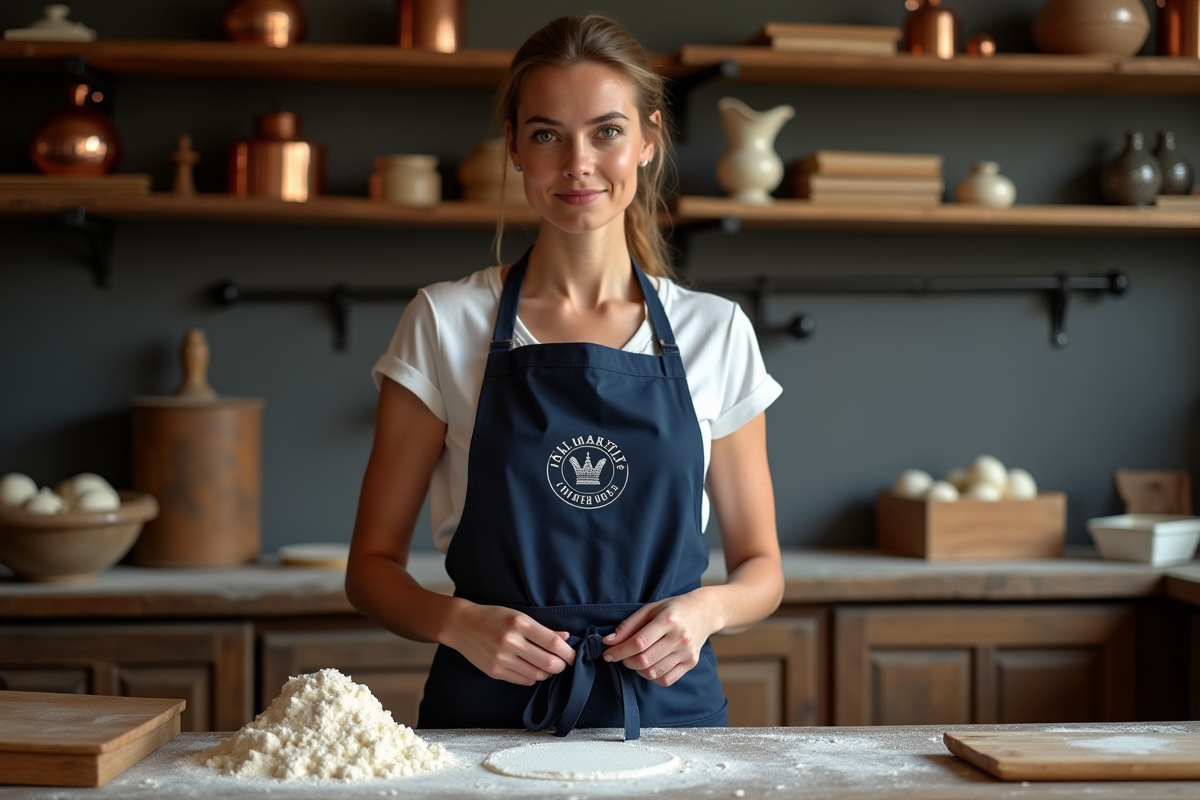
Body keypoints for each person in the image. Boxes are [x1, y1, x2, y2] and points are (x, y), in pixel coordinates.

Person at [346, 13, 783, 741]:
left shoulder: (717, 331)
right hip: (484, 721)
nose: (578, 163)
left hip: (669, 718)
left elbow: (762, 568)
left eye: (606, 132)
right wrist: (459, 623)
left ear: (647, 140)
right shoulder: (444, 320)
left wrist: (705, 611)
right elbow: (371, 570)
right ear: (515, 146)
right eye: (548, 134)